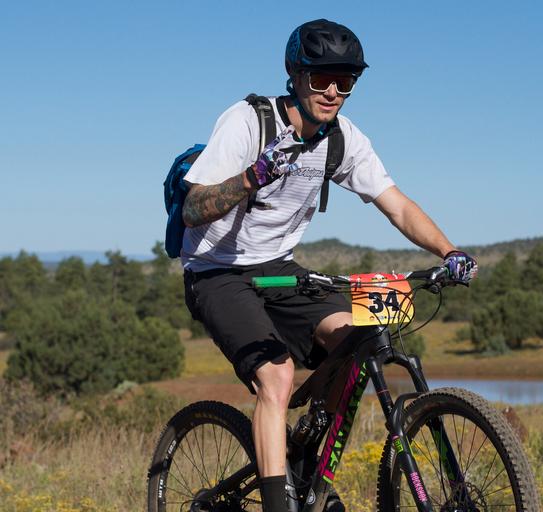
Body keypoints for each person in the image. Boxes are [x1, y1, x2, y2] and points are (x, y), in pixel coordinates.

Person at [180, 18, 477, 512]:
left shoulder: (342, 139)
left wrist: (449, 252)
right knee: (277, 376)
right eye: (321, 79)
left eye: (346, 80)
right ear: (295, 75)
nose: (334, 91)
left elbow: (397, 206)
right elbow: (193, 208)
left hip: (280, 268)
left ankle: (307, 464)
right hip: (217, 271)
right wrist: (253, 176)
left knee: (355, 338)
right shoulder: (249, 121)